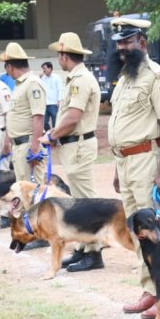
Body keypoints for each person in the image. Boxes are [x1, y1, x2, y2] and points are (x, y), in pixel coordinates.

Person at [109, 17, 160, 319]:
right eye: (119, 44)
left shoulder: (158, 77)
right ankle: (150, 289)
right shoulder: (126, 78)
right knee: (137, 231)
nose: (122, 49)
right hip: (125, 162)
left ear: (142, 42)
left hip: (146, 162)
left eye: (127, 42)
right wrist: (117, 166)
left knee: (157, 230)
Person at [37, 32, 102, 272]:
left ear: (65, 55)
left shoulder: (81, 80)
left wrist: (52, 135)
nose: (58, 58)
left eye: (59, 54)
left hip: (79, 145)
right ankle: (83, 248)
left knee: (86, 202)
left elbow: (73, 118)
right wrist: (56, 134)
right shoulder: (74, 79)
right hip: (73, 145)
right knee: (78, 202)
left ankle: (94, 252)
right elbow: (68, 117)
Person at [0, 42, 46, 185]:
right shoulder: (20, 84)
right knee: (23, 190)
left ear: (9, 66)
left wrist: (35, 148)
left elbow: (38, 116)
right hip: (19, 146)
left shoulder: (32, 83)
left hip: (28, 145)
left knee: (32, 190)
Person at [40, 61, 61, 131]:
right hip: (45, 104)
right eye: (43, 68)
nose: (43, 70)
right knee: (44, 122)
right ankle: (49, 134)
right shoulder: (43, 78)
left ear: (50, 68)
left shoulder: (57, 77)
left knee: (55, 121)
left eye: (45, 68)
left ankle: (56, 137)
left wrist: (59, 100)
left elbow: (60, 89)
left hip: (54, 103)